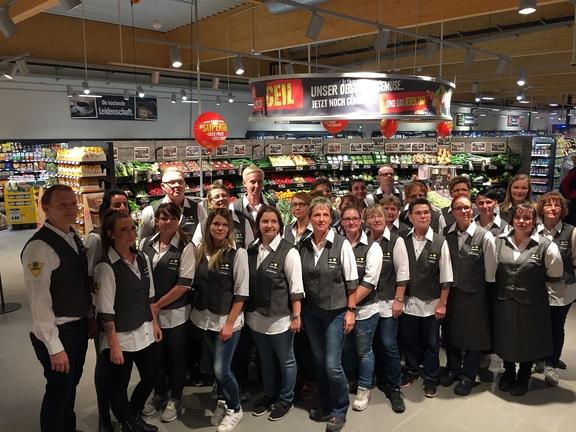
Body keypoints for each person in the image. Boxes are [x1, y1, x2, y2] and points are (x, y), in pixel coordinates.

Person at [21, 184, 94, 432]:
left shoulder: (71, 235)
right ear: (45, 208)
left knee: (69, 386)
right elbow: (39, 303)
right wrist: (54, 348)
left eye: (73, 203)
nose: (70, 209)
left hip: (78, 328)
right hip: (59, 333)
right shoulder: (39, 248)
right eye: (62, 204)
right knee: (57, 393)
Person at [94, 211, 162, 432]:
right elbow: (105, 312)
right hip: (121, 337)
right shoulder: (106, 267)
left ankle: (132, 416)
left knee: (152, 376)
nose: (131, 233)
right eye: (123, 229)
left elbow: (149, 295)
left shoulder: (141, 258)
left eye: (132, 228)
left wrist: (155, 323)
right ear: (110, 234)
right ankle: (129, 424)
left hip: (144, 330)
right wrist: (113, 345)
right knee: (119, 385)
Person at [298, 197, 358, 432]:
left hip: (336, 313)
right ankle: (325, 402)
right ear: (309, 218)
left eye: (325, 215)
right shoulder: (303, 245)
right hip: (312, 312)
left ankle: (339, 408)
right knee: (320, 361)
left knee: (333, 364)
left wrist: (351, 311)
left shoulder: (341, 244)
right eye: (316, 215)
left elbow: (352, 282)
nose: (321, 219)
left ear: (331, 218)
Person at [493, 203, 562, 396]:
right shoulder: (499, 241)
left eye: (527, 218)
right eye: (518, 217)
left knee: (528, 339)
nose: (522, 222)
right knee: (506, 336)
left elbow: (555, 273)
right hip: (504, 299)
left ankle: (524, 376)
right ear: (512, 219)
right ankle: (508, 373)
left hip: (532, 303)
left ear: (534, 221)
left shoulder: (546, 246)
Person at [190, 208, 249, 432]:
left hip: (227, 321)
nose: (220, 228)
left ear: (230, 229)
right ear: (208, 226)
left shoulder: (237, 254)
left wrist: (229, 324)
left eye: (225, 225)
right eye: (216, 224)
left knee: (221, 370)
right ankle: (224, 402)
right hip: (205, 319)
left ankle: (235, 409)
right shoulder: (199, 251)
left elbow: (241, 293)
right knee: (216, 369)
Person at [245, 206, 304, 421]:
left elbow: (296, 288)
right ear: (258, 225)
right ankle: (269, 395)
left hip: (280, 318)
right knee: (265, 359)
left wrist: (296, 316)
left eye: (273, 221)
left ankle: (286, 398)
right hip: (256, 318)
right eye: (264, 221)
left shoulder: (290, 251)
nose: (269, 225)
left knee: (286, 360)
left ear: (280, 225)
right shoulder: (251, 249)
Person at [140, 203, 196, 422]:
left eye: (173, 218)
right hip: (150, 314)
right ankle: (159, 393)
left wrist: (158, 304)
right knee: (156, 356)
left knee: (176, 356)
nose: (168, 222)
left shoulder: (186, 246)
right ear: (156, 220)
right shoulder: (146, 243)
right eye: (163, 218)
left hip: (174, 314)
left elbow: (184, 284)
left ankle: (176, 397)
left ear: (179, 220)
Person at [440, 196, 497, 396]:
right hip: (451, 294)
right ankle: (453, 368)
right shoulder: (446, 233)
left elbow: (491, 272)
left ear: (472, 210)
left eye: (466, 207)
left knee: (474, 336)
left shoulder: (485, 236)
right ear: (452, 212)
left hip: (475, 294)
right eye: (459, 208)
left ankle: (468, 375)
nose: (463, 211)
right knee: (451, 332)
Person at [84, 187, 129, 432]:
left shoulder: (127, 233)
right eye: (116, 206)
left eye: (125, 204)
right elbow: (89, 279)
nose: (122, 209)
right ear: (105, 211)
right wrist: (93, 314)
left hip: (126, 311)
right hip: (104, 310)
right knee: (105, 364)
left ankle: (122, 411)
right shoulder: (94, 239)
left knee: (120, 365)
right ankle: (104, 415)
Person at [400, 198, 453, 398]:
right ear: (410, 217)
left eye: (426, 213)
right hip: (409, 302)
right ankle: (412, 370)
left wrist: (442, 304)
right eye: (419, 213)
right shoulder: (403, 239)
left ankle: (431, 377)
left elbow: (446, 277)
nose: (424, 216)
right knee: (410, 341)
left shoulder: (440, 242)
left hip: (432, 304)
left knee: (432, 343)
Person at [364, 203, 409, 413]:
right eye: (372, 216)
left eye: (380, 215)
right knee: (369, 345)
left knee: (388, 343)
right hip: (367, 303)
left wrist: (399, 299)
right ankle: (373, 378)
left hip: (388, 302)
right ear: (367, 221)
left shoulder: (396, 241)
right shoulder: (363, 240)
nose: (377, 219)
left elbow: (402, 272)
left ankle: (394, 388)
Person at [339, 205, 383, 412]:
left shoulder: (372, 247)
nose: (351, 222)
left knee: (364, 351)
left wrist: (350, 305)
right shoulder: (337, 245)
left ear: (361, 221)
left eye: (355, 218)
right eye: (347, 219)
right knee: (346, 349)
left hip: (364, 310)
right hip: (343, 310)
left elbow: (370, 282)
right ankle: (350, 380)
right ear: (341, 221)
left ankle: (364, 387)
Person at [536, 192, 576, 385]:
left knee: (556, 326)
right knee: (538, 324)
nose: (552, 208)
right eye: (548, 205)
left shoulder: (572, 232)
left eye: (557, 205)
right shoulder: (534, 230)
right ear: (541, 209)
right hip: (537, 289)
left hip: (563, 290)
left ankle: (551, 364)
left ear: (562, 210)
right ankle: (538, 357)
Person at [139, 168, 208, 239]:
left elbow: (206, 237)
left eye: (180, 182)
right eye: (172, 182)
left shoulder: (198, 209)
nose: (177, 185)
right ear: (163, 186)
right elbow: (144, 242)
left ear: (185, 184)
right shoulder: (150, 212)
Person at [194, 180, 253, 248]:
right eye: (217, 197)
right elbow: (196, 249)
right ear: (210, 203)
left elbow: (250, 249)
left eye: (224, 195)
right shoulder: (203, 225)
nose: (221, 199)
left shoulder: (243, 222)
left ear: (229, 198)